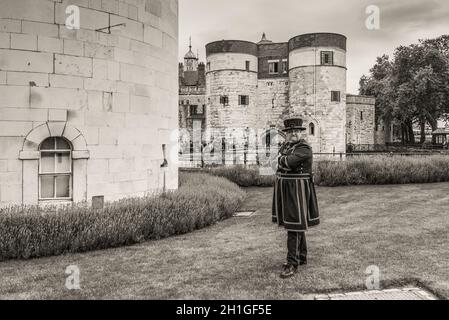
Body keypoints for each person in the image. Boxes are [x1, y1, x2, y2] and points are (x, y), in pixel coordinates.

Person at [271, 116, 320, 279]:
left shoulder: (304, 148)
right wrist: (279, 160)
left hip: (297, 189)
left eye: (296, 131)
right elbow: (276, 161)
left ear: (301, 133)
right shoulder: (287, 145)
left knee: (294, 225)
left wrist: (279, 160)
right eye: (290, 131)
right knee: (296, 223)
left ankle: (292, 263)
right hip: (287, 188)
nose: (293, 134)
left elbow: (287, 162)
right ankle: (302, 256)